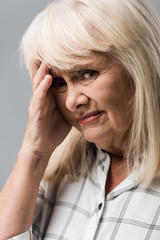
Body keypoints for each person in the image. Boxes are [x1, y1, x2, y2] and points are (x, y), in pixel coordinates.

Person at [0, 0, 160, 239]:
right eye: (59, 83)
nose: (72, 101)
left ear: (138, 65)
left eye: (87, 73)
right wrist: (33, 153)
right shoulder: (52, 179)